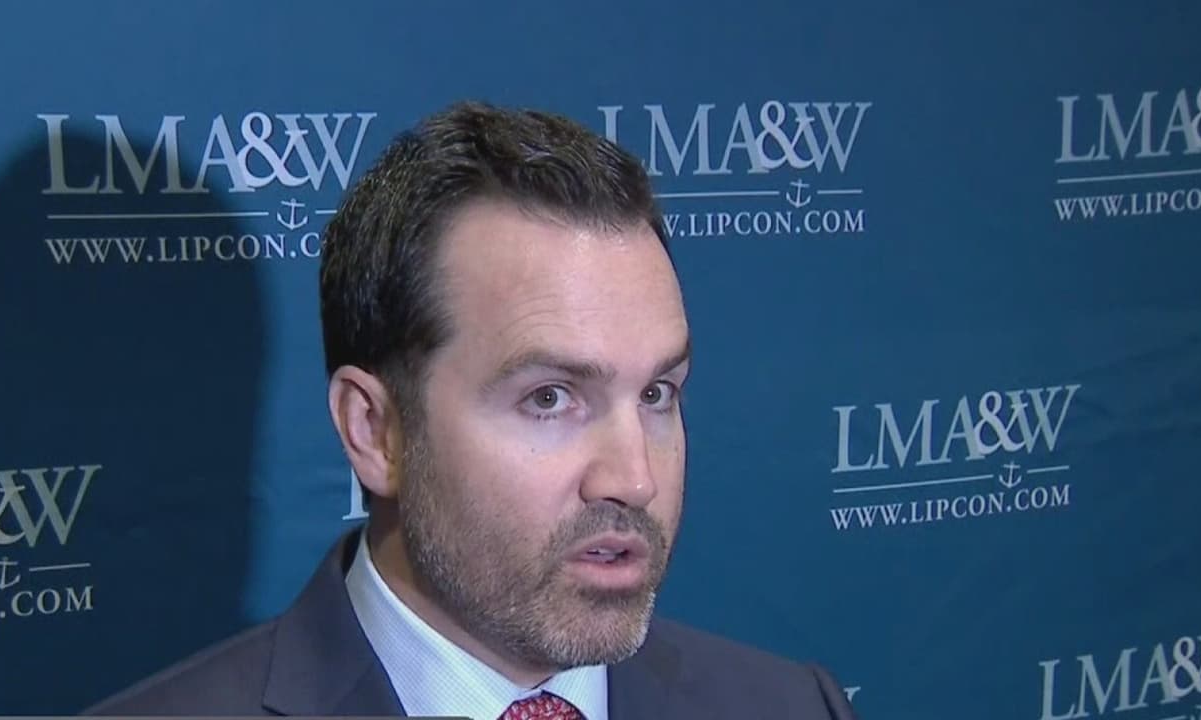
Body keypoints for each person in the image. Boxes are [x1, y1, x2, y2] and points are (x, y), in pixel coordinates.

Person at [87, 102, 858, 720]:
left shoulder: (790, 705)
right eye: (550, 399)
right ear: (375, 431)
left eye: (656, 393)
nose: (634, 479)